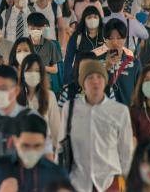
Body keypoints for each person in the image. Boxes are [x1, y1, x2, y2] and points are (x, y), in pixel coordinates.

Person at [57, 59, 133, 191]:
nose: (95, 81)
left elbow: (126, 151)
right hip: (77, 182)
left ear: (105, 80)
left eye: (99, 76)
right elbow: (60, 146)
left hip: (109, 182)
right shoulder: (69, 108)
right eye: (89, 77)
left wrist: (129, 182)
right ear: (83, 83)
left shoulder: (120, 111)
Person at [0, 114, 69, 191]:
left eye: (37, 146)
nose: (31, 151)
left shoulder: (58, 174)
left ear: (45, 143)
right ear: (15, 141)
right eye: (25, 145)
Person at [93, 18, 141, 105]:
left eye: (119, 38)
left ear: (125, 39)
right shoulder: (96, 62)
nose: (115, 42)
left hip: (126, 113)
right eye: (110, 38)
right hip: (103, 112)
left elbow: (140, 92)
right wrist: (107, 67)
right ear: (105, 39)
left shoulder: (135, 64)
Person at [18, 54, 60, 148]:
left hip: (44, 150)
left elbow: (56, 129)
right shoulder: (15, 98)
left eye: (37, 71)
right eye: (29, 70)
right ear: (23, 74)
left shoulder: (50, 96)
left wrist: (55, 151)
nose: (33, 74)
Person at [63, 6, 104, 84]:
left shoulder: (105, 36)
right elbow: (68, 59)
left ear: (99, 19)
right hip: (80, 78)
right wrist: (67, 81)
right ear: (84, 20)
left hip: (101, 78)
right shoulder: (77, 36)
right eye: (89, 17)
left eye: (95, 17)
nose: (92, 19)